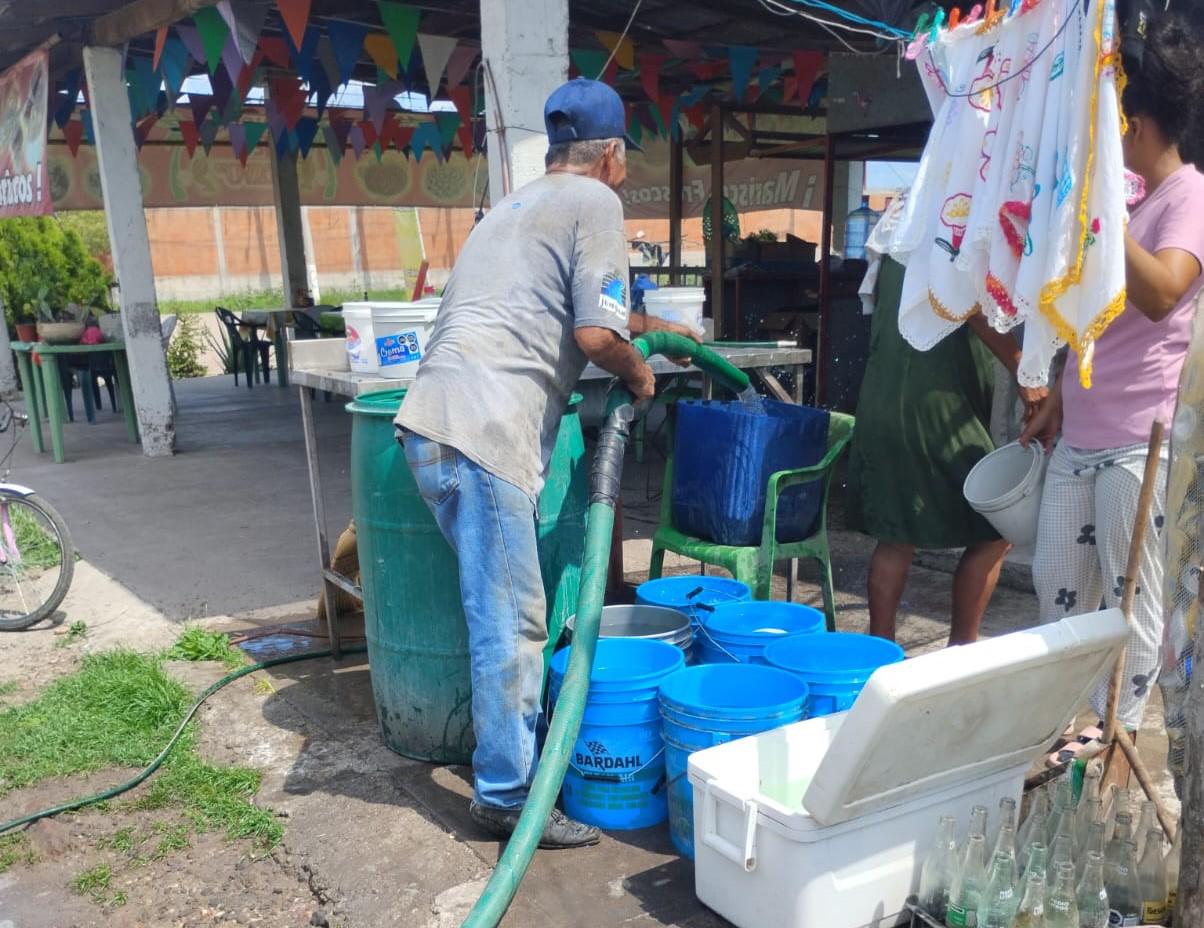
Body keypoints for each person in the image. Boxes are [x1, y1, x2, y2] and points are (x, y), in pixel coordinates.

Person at [393, 78, 697, 848]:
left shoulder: (517, 206)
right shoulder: (597, 205)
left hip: (430, 426)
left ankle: (508, 764)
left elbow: (593, 312)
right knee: (514, 623)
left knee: (504, 614)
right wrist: (639, 371)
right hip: (484, 431)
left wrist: (658, 328)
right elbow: (597, 339)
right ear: (614, 154)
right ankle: (505, 797)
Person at [1021, 15, 1204, 764]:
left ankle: (1113, 748)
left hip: (1141, 440)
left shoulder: (1189, 194)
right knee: (1058, 588)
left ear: (1132, 119)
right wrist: (1061, 385)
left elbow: (1162, 291)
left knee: (1134, 610)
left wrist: (1104, 215)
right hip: (1084, 431)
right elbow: (1087, 308)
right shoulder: (1122, 194)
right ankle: (1067, 728)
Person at [848, 196, 1046, 645]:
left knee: (896, 535)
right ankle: (961, 651)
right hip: (933, 401)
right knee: (998, 528)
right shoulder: (964, 214)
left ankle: (878, 656)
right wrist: (1024, 371)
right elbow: (970, 302)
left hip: (883, 391)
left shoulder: (906, 218)